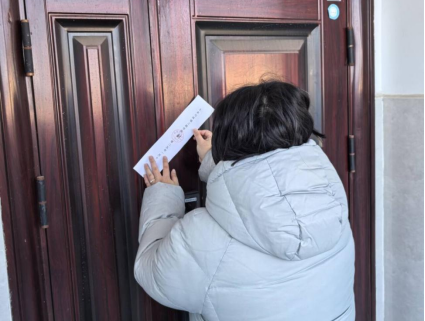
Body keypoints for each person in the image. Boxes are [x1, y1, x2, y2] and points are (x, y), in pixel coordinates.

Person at [134, 81, 356, 321]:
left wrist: (163, 197)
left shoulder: (204, 237)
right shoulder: (330, 206)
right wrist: (215, 161)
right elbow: (270, 184)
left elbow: (151, 270)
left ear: (229, 139)